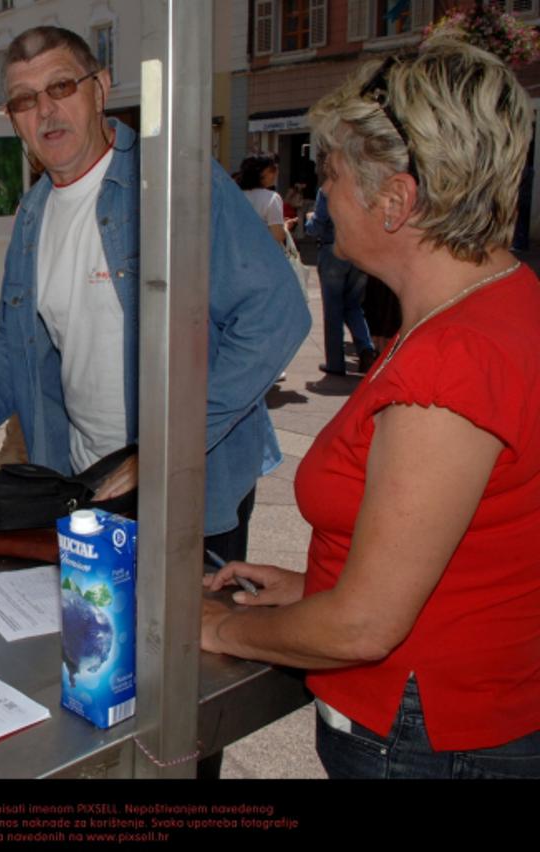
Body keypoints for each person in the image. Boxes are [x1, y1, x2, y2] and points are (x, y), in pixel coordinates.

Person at [201, 38, 540, 779]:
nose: (321, 196)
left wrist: (225, 628)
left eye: (329, 174)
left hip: (423, 735)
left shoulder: (452, 360)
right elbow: (458, 542)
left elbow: (364, 628)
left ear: (396, 201)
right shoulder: (496, 301)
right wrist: (308, 587)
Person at [0, 26, 309, 567]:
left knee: (188, 648)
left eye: (62, 87)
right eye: (24, 100)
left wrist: (165, 446)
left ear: (100, 88)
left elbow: (277, 314)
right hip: (84, 485)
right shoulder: (34, 214)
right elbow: (13, 351)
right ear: (12, 117)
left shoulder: (170, 182)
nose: (46, 111)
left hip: (185, 481)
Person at [306, 187, 377, 376]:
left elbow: (317, 226)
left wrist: (308, 220)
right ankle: (366, 348)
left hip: (333, 249)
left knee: (333, 309)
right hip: (361, 250)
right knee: (353, 305)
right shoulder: (367, 187)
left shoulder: (328, 190)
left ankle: (335, 363)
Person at [236, 153, 296, 244]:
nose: (276, 173)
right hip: (261, 254)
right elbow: (277, 236)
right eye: (272, 170)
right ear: (260, 173)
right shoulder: (271, 198)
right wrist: (286, 227)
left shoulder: (235, 195)